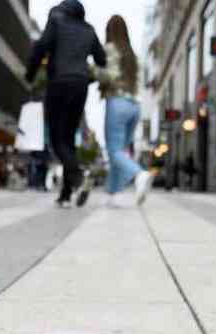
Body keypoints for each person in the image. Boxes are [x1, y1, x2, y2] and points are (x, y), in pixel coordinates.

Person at [25, 0, 106, 208]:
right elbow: (101, 59)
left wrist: (30, 74)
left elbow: (41, 46)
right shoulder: (89, 30)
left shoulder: (56, 21)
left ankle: (78, 178)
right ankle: (66, 194)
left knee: (57, 139)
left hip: (59, 83)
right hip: (80, 86)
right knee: (68, 139)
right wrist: (87, 72)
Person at [94, 16, 154, 208]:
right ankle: (113, 193)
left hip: (117, 102)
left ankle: (139, 174)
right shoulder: (134, 55)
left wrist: (92, 70)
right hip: (134, 106)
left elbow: (108, 75)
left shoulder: (110, 49)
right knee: (120, 152)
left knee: (114, 151)